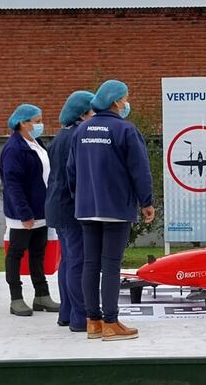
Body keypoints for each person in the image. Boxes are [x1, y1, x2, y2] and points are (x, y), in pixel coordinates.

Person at [67, 80, 155, 341]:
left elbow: (72, 171)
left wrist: (80, 198)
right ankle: (111, 322)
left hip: (86, 207)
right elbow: (140, 170)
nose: (127, 103)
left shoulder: (81, 131)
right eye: (126, 98)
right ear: (116, 101)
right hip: (115, 207)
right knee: (111, 265)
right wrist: (146, 202)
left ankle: (92, 321)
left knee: (90, 264)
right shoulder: (125, 130)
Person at [0, 103, 60, 316]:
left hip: (41, 211)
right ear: (23, 123)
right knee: (16, 254)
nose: (40, 125)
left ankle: (41, 295)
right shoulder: (14, 149)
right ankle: (16, 298)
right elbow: (13, 184)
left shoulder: (36, 143)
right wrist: (24, 213)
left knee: (38, 253)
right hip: (23, 215)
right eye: (36, 122)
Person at [45, 90, 94, 332]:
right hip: (71, 208)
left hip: (56, 206)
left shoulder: (60, 136)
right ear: (83, 113)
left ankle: (66, 313)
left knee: (66, 261)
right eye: (93, 110)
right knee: (78, 261)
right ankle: (80, 317)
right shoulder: (79, 135)